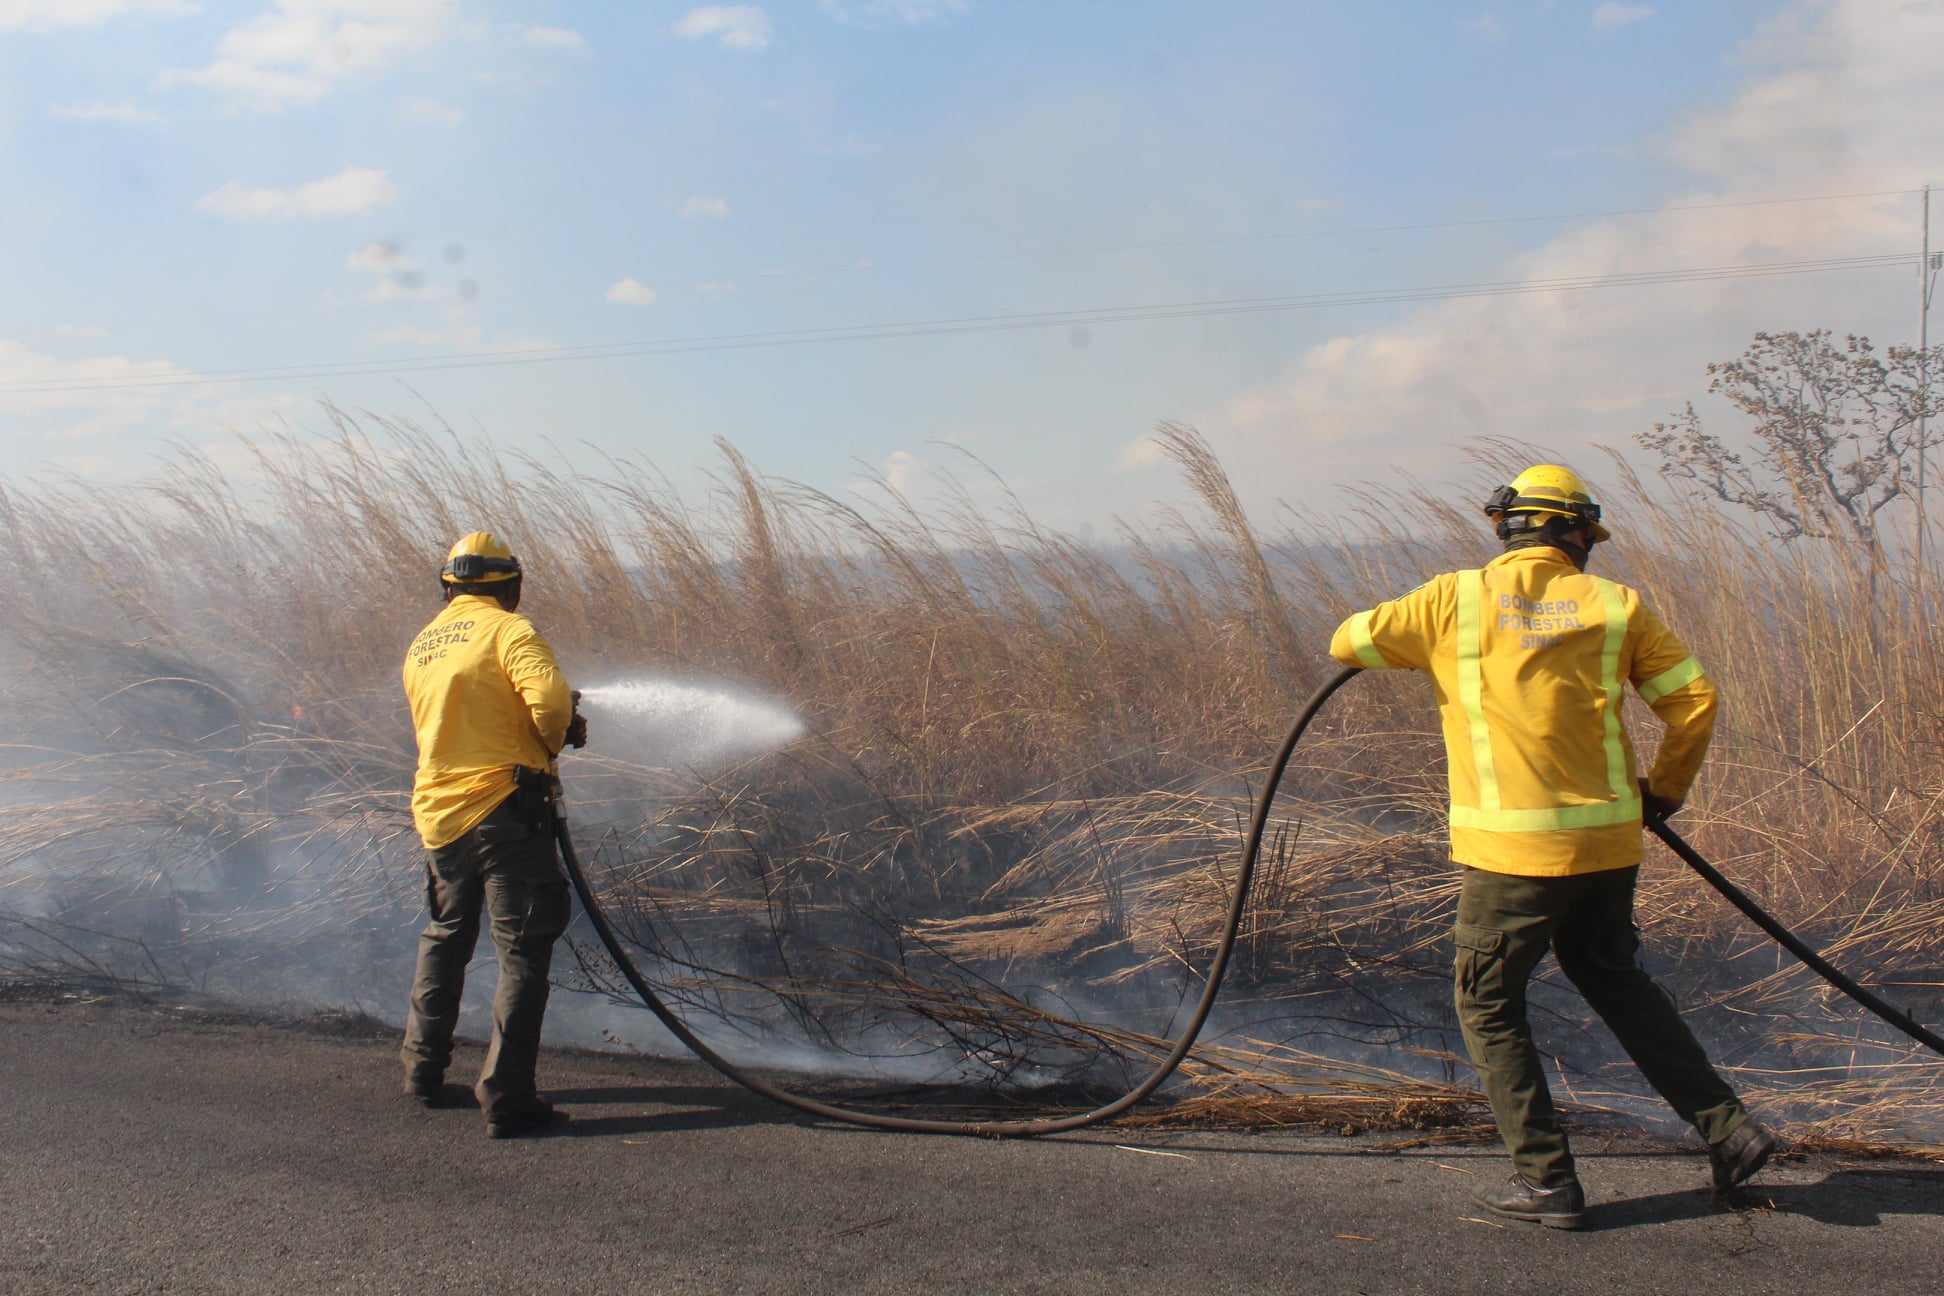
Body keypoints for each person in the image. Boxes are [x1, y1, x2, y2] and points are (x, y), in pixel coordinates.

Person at [1328, 465, 1775, 1229]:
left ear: (1507, 526)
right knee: (1614, 978)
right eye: (1587, 537)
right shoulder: (1615, 605)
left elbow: (1346, 642)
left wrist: (1422, 648)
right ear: (1573, 533)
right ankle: (1729, 1130)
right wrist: (1663, 791)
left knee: (1488, 1003)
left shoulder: (1452, 600)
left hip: (1512, 859)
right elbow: (1694, 699)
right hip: (1607, 846)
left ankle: (1548, 1184)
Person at [400, 531, 588, 1138]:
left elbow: (461, 718)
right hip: (505, 813)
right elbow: (552, 705)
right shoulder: (511, 631)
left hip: (439, 817)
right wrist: (556, 735)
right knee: (523, 949)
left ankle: (422, 1070)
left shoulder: (423, 645)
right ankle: (507, 1094)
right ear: (511, 585)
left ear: (448, 586)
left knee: (447, 934)